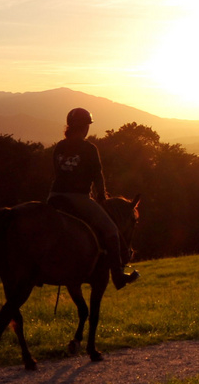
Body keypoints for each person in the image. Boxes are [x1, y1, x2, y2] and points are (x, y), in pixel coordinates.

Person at [50, 108, 139, 289]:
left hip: (54, 196)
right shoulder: (89, 148)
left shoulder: (59, 146)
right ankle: (118, 276)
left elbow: (56, 172)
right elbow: (97, 174)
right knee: (112, 231)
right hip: (79, 198)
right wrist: (101, 196)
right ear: (85, 127)